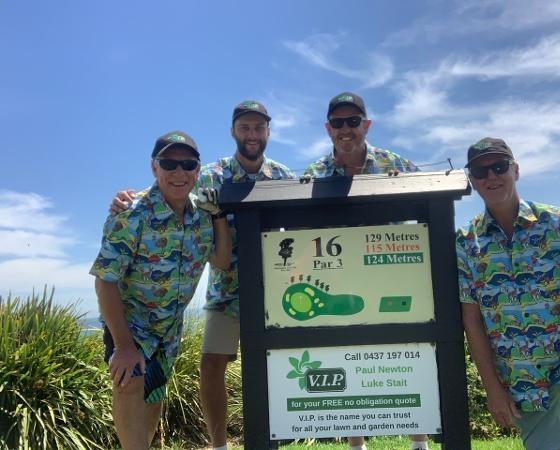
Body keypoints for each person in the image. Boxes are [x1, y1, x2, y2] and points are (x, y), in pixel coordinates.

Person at [109, 102, 295, 450]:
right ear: (233, 131)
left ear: (268, 132)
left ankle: (275, 441)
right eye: (245, 127)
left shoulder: (284, 176)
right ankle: (220, 445)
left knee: (280, 365)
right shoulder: (208, 173)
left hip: (278, 293)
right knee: (211, 365)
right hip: (226, 293)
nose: (252, 134)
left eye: (258, 128)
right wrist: (127, 199)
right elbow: (171, 186)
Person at [456, 137, 560, 450]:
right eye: (481, 171)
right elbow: (471, 318)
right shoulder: (465, 242)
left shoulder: (559, 223)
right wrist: (492, 387)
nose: (491, 176)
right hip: (522, 368)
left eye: (499, 166)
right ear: (472, 181)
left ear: (516, 171)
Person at [304, 91, 429, 450]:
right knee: (347, 352)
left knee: (407, 349)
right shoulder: (314, 173)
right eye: (339, 123)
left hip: (390, 272)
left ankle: (418, 442)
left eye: (353, 122)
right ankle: (356, 444)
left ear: (367, 125)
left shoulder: (396, 163)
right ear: (329, 129)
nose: (346, 129)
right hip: (338, 276)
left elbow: (431, 200)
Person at [91, 131, 231, 450]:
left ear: (198, 169)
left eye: (188, 164)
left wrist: (219, 216)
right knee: (130, 382)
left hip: (168, 332)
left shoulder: (203, 216)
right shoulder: (131, 213)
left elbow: (221, 261)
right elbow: (105, 280)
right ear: (155, 168)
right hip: (131, 325)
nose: (179, 173)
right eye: (169, 163)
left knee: (153, 399)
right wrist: (124, 346)